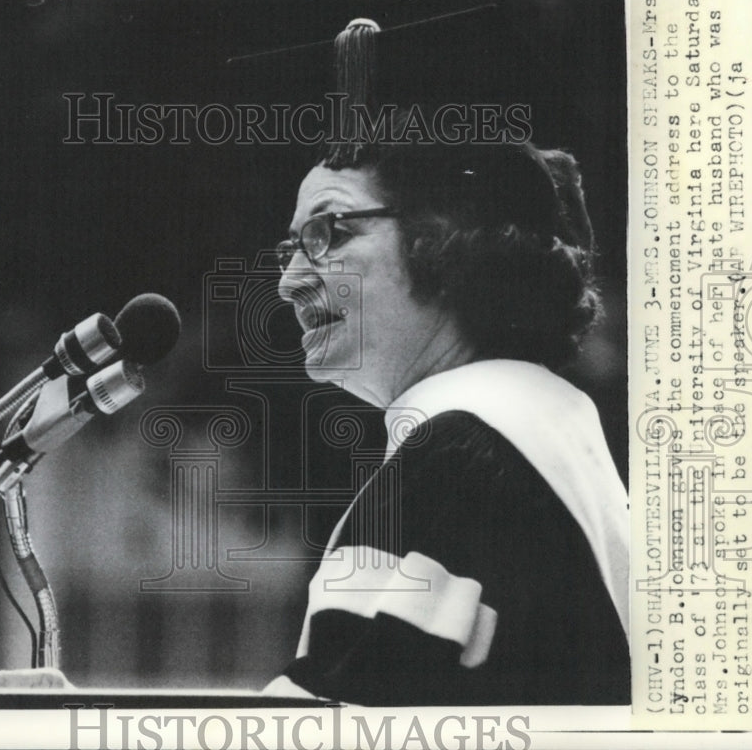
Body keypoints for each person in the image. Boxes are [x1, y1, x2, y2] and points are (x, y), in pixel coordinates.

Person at [262, 115, 631, 705]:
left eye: (327, 232)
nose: (288, 281)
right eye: (291, 246)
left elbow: (326, 726)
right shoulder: (540, 430)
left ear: (447, 238)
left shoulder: (458, 455)